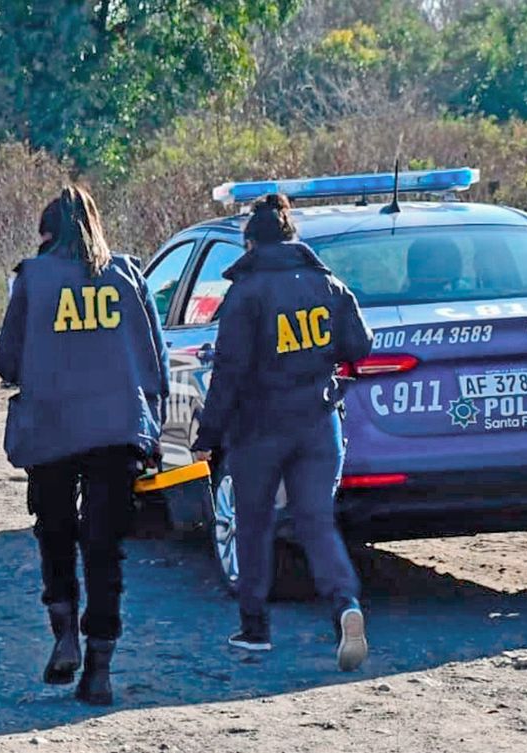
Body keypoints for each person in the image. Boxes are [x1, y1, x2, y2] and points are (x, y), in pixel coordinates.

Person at [0, 185, 169, 707]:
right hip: (118, 427)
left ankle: (64, 628)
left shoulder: (34, 277)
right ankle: (99, 668)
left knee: (54, 530)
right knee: (105, 545)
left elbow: (7, 361)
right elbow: (154, 358)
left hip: (51, 424)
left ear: (48, 234)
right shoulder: (128, 275)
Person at [189, 193, 373, 672]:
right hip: (318, 421)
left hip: (259, 428)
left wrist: (207, 434)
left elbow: (229, 373)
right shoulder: (327, 284)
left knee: (254, 525)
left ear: (250, 243)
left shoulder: (246, 294)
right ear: (293, 237)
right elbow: (361, 343)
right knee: (315, 521)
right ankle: (346, 607)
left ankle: (255, 631)